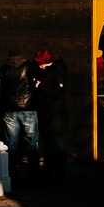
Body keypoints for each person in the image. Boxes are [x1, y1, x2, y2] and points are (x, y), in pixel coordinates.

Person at [0, 51, 39, 184]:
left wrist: (4, 102)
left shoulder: (3, 69)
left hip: (10, 109)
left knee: (11, 144)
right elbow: (43, 78)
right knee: (32, 143)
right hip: (29, 108)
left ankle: (12, 174)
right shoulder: (30, 67)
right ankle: (34, 175)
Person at [32, 50, 69, 184]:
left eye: (40, 63)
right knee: (50, 146)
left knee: (56, 146)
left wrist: (40, 86)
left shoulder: (57, 72)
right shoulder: (54, 71)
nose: (39, 65)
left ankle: (58, 174)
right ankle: (51, 173)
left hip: (54, 116)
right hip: (51, 115)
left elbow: (58, 93)